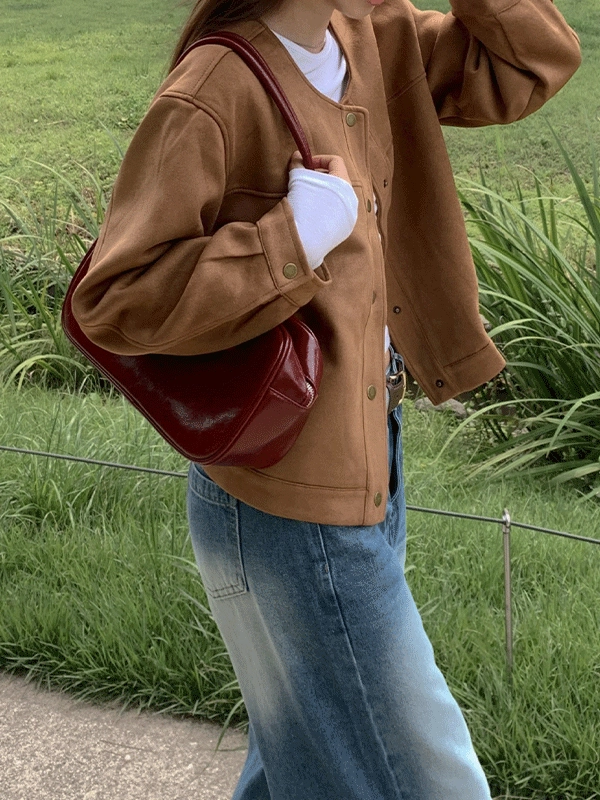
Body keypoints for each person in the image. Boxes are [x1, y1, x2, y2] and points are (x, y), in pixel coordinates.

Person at [71, 1, 581, 797]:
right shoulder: (216, 87)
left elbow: (532, 62)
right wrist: (291, 239)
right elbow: (115, 303)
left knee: (303, 760)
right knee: (431, 781)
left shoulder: (376, 35)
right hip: (287, 500)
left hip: (368, 460)